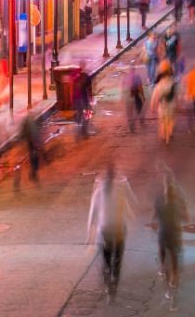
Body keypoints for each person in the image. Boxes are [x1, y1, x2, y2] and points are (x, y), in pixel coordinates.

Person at [87, 163, 137, 301]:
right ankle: (114, 284)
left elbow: (92, 215)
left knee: (106, 259)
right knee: (118, 259)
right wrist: (131, 223)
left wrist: (89, 238)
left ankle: (108, 284)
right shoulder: (120, 190)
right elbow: (128, 210)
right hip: (120, 229)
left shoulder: (98, 192)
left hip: (105, 231)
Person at [153, 173, 188, 310]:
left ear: (164, 185)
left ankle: (168, 287)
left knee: (166, 265)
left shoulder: (159, 199)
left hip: (163, 235)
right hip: (175, 236)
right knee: (175, 266)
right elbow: (186, 217)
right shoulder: (178, 201)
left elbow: (156, 216)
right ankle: (174, 293)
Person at [150, 62, 177, 145]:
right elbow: (175, 95)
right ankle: (169, 133)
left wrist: (152, 106)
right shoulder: (172, 83)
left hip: (162, 106)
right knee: (170, 120)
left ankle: (163, 135)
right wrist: (178, 104)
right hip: (171, 105)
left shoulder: (159, 85)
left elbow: (154, 97)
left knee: (162, 121)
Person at [72, 64, 94, 138]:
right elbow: (89, 89)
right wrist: (91, 98)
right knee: (87, 114)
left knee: (79, 114)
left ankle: (79, 128)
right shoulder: (86, 76)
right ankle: (84, 131)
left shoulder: (73, 76)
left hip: (75, 100)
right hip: (84, 99)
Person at [21, 113, 43, 181]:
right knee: (34, 156)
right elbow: (37, 130)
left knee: (33, 155)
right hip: (33, 140)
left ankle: (33, 172)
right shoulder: (34, 119)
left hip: (30, 140)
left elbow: (23, 131)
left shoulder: (26, 120)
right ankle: (34, 172)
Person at [124, 63, 146, 132]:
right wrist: (143, 96)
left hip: (127, 97)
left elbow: (123, 89)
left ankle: (131, 125)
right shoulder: (137, 77)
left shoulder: (126, 77)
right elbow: (140, 88)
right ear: (134, 70)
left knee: (129, 111)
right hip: (135, 96)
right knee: (138, 108)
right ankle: (135, 122)